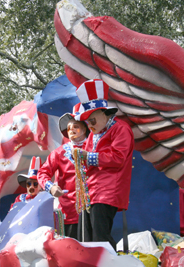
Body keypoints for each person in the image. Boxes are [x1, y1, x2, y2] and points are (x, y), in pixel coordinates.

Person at [72, 79, 134, 250]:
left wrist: (88, 157)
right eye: (87, 122)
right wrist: (79, 157)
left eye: (92, 120)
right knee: (88, 238)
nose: (90, 126)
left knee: (101, 237)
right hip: (91, 192)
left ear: (104, 113)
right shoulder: (92, 135)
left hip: (107, 191)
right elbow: (85, 158)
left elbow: (118, 157)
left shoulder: (120, 129)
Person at [37, 104, 90, 239]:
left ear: (85, 129)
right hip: (69, 211)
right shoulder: (59, 153)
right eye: (69, 128)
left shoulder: (94, 148)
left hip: (94, 210)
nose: (71, 130)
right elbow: (42, 173)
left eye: (76, 126)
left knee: (96, 250)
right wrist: (51, 187)